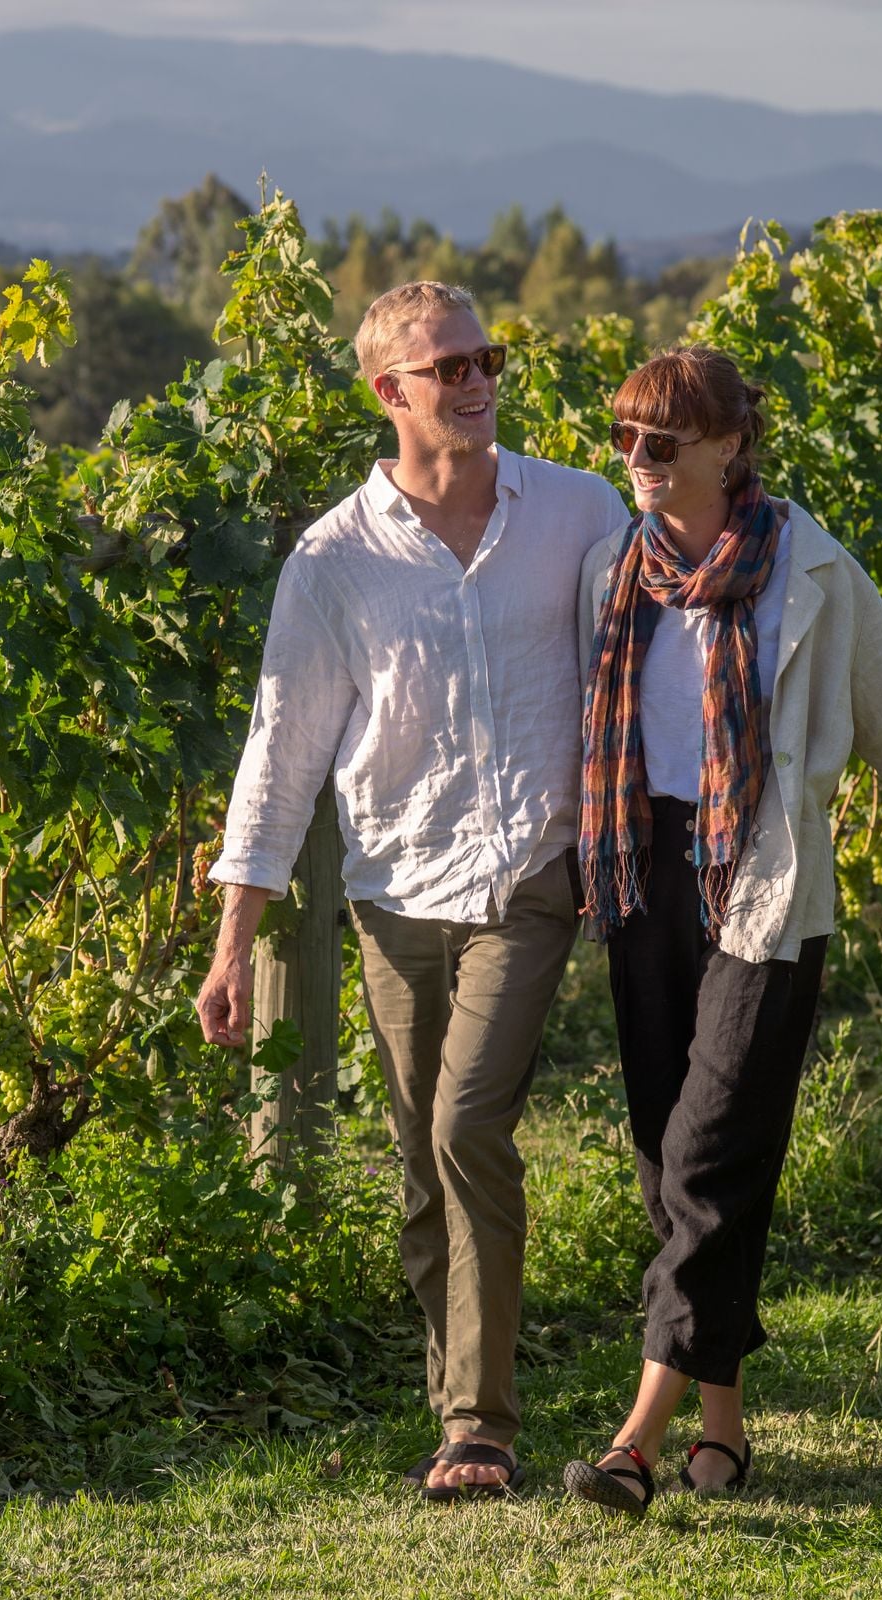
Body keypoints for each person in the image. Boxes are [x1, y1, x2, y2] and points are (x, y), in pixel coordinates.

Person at [558, 347, 882, 1513]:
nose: (636, 463)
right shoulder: (615, 569)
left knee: (710, 1153)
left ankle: (636, 1440)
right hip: (641, 874)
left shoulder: (811, 574)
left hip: (759, 882)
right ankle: (725, 1433)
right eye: (622, 440)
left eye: (660, 443)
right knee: (674, 1162)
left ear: (727, 446)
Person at [197, 281, 633, 1502]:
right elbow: (281, 755)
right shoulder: (334, 560)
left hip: (531, 873)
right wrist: (233, 944)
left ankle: (482, 1423)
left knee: (463, 1127)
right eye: (446, 366)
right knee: (417, 1167)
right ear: (389, 391)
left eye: (484, 357)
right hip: (393, 893)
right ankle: (459, 1410)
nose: (477, 378)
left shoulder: (579, 512)